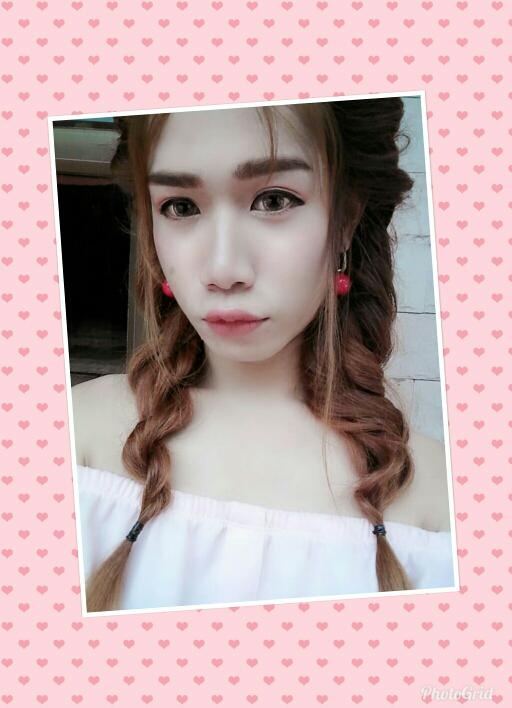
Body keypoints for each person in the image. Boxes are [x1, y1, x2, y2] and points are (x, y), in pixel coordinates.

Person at [71, 97, 454, 614]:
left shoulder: (442, 509)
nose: (224, 270)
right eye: (180, 206)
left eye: (273, 201)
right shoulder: (73, 439)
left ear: (345, 218)